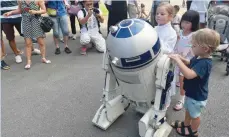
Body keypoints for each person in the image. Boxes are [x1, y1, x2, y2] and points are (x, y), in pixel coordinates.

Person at [170, 28, 220, 137]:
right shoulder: (199, 56)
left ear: (205, 48)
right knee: (188, 111)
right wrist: (181, 58)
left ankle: (193, 131)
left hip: (197, 97)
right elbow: (190, 63)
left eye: (193, 45)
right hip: (192, 93)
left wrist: (178, 61)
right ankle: (186, 124)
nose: (191, 47)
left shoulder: (205, 63)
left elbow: (189, 74)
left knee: (195, 116)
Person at [4, 0, 51, 70]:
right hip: (26, 23)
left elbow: (44, 10)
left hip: (36, 22)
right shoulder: (20, 1)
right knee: (28, 43)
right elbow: (20, 10)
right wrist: (11, 12)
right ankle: (29, 62)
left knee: (41, 42)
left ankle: (43, 58)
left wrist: (36, 12)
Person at [173, 10, 200, 111]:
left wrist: (182, 55)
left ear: (194, 24)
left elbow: (192, 49)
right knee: (172, 77)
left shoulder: (194, 35)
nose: (184, 24)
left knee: (182, 80)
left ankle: (181, 98)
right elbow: (176, 45)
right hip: (177, 57)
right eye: (183, 21)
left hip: (186, 60)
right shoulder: (179, 32)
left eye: (187, 22)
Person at [155, 2, 177, 107]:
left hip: (165, 62)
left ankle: (165, 103)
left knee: (164, 83)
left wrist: (155, 43)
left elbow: (168, 49)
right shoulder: (155, 28)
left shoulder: (171, 33)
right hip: (154, 60)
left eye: (162, 14)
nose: (158, 15)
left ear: (170, 17)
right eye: (157, 13)